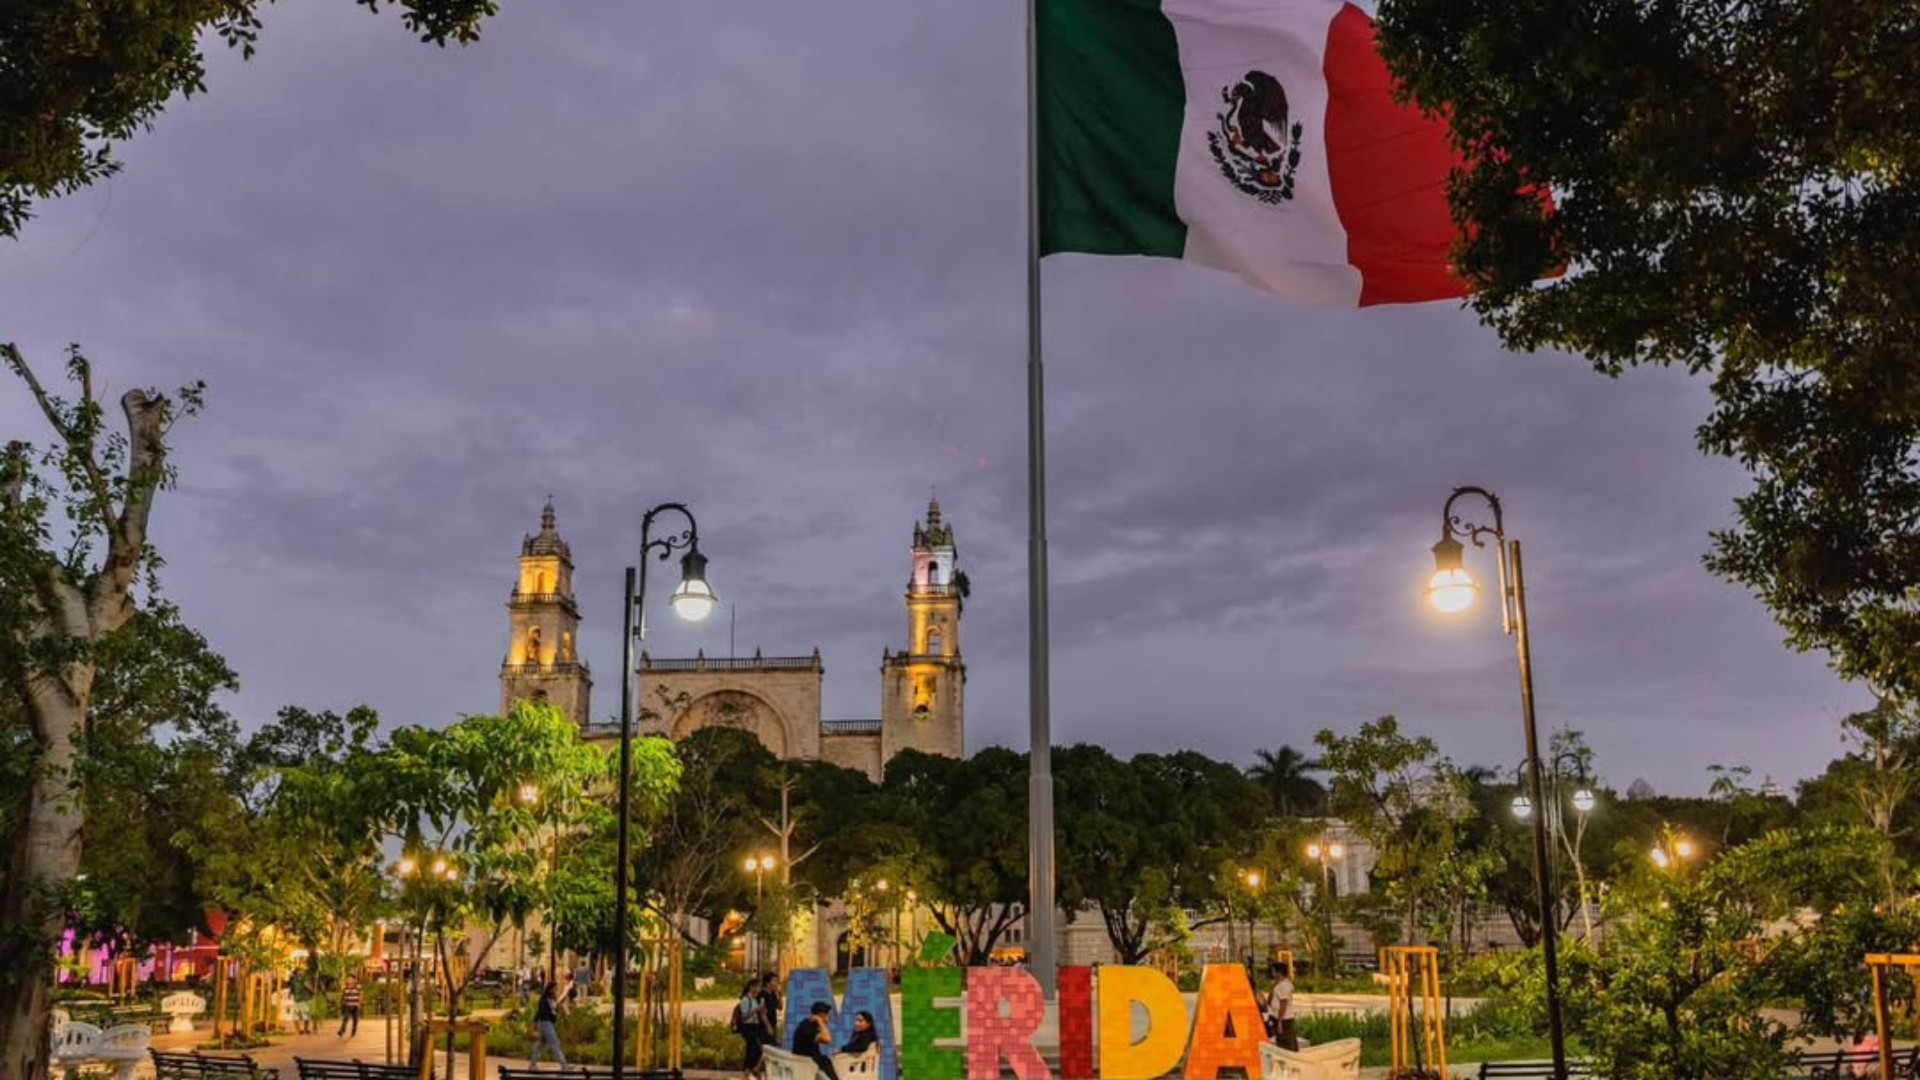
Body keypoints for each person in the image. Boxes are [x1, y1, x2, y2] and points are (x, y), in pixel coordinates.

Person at [791, 1001, 838, 1080]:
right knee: (825, 1062)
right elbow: (828, 1039)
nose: (828, 1018)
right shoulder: (807, 1027)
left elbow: (827, 1039)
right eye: (827, 1015)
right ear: (821, 1015)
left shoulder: (810, 1025)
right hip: (804, 1061)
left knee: (826, 1061)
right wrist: (821, 1022)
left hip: (809, 1060)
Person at [733, 983, 765, 1078]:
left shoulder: (754, 999)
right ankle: (749, 1071)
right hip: (747, 1027)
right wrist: (756, 1009)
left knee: (753, 1049)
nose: (759, 989)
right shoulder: (745, 1000)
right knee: (754, 1048)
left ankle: (749, 1072)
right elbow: (744, 1016)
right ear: (752, 987)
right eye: (758, 987)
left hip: (754, 1026)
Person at [530, 983, 567, 1068]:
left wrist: (559, 1008)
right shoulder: (544, 1000)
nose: (556, 990)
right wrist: (534, 1023)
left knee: (540, 1045)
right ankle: (564, 1065)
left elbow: (554, 1011)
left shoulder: (552, 999)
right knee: (555, 1043)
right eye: (555, 989)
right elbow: (540, 1012)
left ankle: (532, 1064)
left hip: (549, 1023)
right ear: (550, 989)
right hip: (545, 1023)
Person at [1264, 966, 1295, 1049]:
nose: (1272, 974)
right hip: (1276, 1017)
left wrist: (1280, 1022)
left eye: (1274, 971)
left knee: (1285, 1043)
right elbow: (1270, 1000)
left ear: (1279, 972)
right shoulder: (1279, 984)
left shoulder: (1284, 985)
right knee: (1280, 1041)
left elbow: (1283, 1004)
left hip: (1284, 1018)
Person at [757, 972, 783, 1047]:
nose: (777, 983)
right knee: (766, 1048)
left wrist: (780, 996)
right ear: (767, 983)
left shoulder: (773, 994)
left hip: (772, 1024)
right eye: (774, 981)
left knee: (772, 1047)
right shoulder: (762, 995)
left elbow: (780, 1007)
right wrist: (768, 1026)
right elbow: (762, 1013)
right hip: (763, 1027)